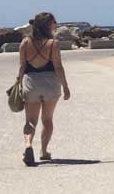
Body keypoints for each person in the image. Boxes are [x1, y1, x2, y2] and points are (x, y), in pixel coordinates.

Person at [16, 12, 71, 166]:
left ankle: (28, 144)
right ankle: (44, 151)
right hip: (50, 84)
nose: (56, 24)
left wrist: (18, 84)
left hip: (31, 83)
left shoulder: (25, 43)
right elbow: (58, 67)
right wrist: (65, 86)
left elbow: (22, 67)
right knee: (47, 120)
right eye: (54, 21)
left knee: (30, 121)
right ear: (48, 25)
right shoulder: (53, 44)